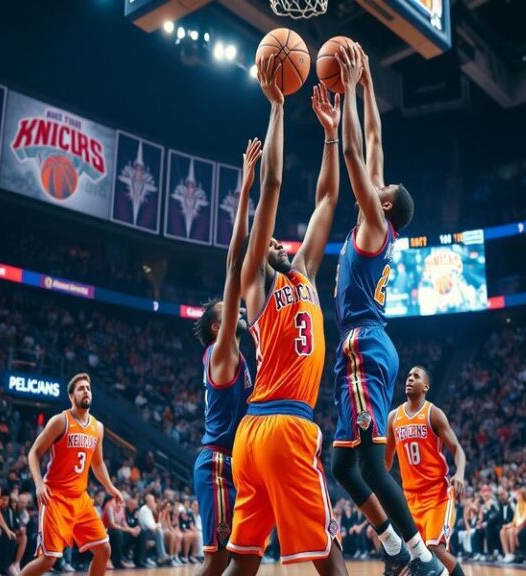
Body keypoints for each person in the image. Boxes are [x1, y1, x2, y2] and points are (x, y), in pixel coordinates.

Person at [222, 55, 345, 575]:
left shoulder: (305, 275)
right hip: (285, 424)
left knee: (243, 563)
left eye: (276, 238)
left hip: (253, 438)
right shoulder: (257, 283)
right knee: (330, 556)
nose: (274, 238)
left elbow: (328, 199)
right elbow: (272, 186)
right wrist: (277, 108)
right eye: (265, 237)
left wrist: (330, 136)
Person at [331, 43, 442, 576]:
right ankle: (396, 548)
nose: (379, 180)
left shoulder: (375, 226)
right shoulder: (374, 220)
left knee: (371, 466)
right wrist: (370, 80)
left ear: (388, 204)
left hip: (362, 344)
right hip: (370, 346)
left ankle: (420, 559)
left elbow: (355, 153)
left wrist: (347, 91)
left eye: (385, 187)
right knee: (343, 465)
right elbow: (374, 138)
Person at [193, 138, 261, 576]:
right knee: (217, 561)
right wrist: (246, 189)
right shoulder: (219, 353)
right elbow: (234, 263)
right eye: (228, 308)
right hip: (217, 461)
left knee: (245, 559)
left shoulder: (239, 350)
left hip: (239, 462)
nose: (235, 306)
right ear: (217, 327)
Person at [20, 373, 122, 576]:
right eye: (81, 388)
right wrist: (39, 484)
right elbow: (34, 453)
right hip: (55, 497)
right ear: (71, 397)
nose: (86, 391)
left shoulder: (97, 427)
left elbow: (98, 463)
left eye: (88, 388)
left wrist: (110, 488)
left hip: (80, 499)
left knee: (103, 550)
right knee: (47, 560)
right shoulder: (60, 421)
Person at [385, 366, 466, 575]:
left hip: (437, 495)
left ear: (425, 386)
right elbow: (385, 464)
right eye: (409, 376)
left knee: (434, 548)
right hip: (409, 499)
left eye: (416, 376)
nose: (410, 379)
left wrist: (459, 474)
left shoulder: (433, 413)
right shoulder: (393, 417)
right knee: (412, 557)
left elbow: (458, 450)